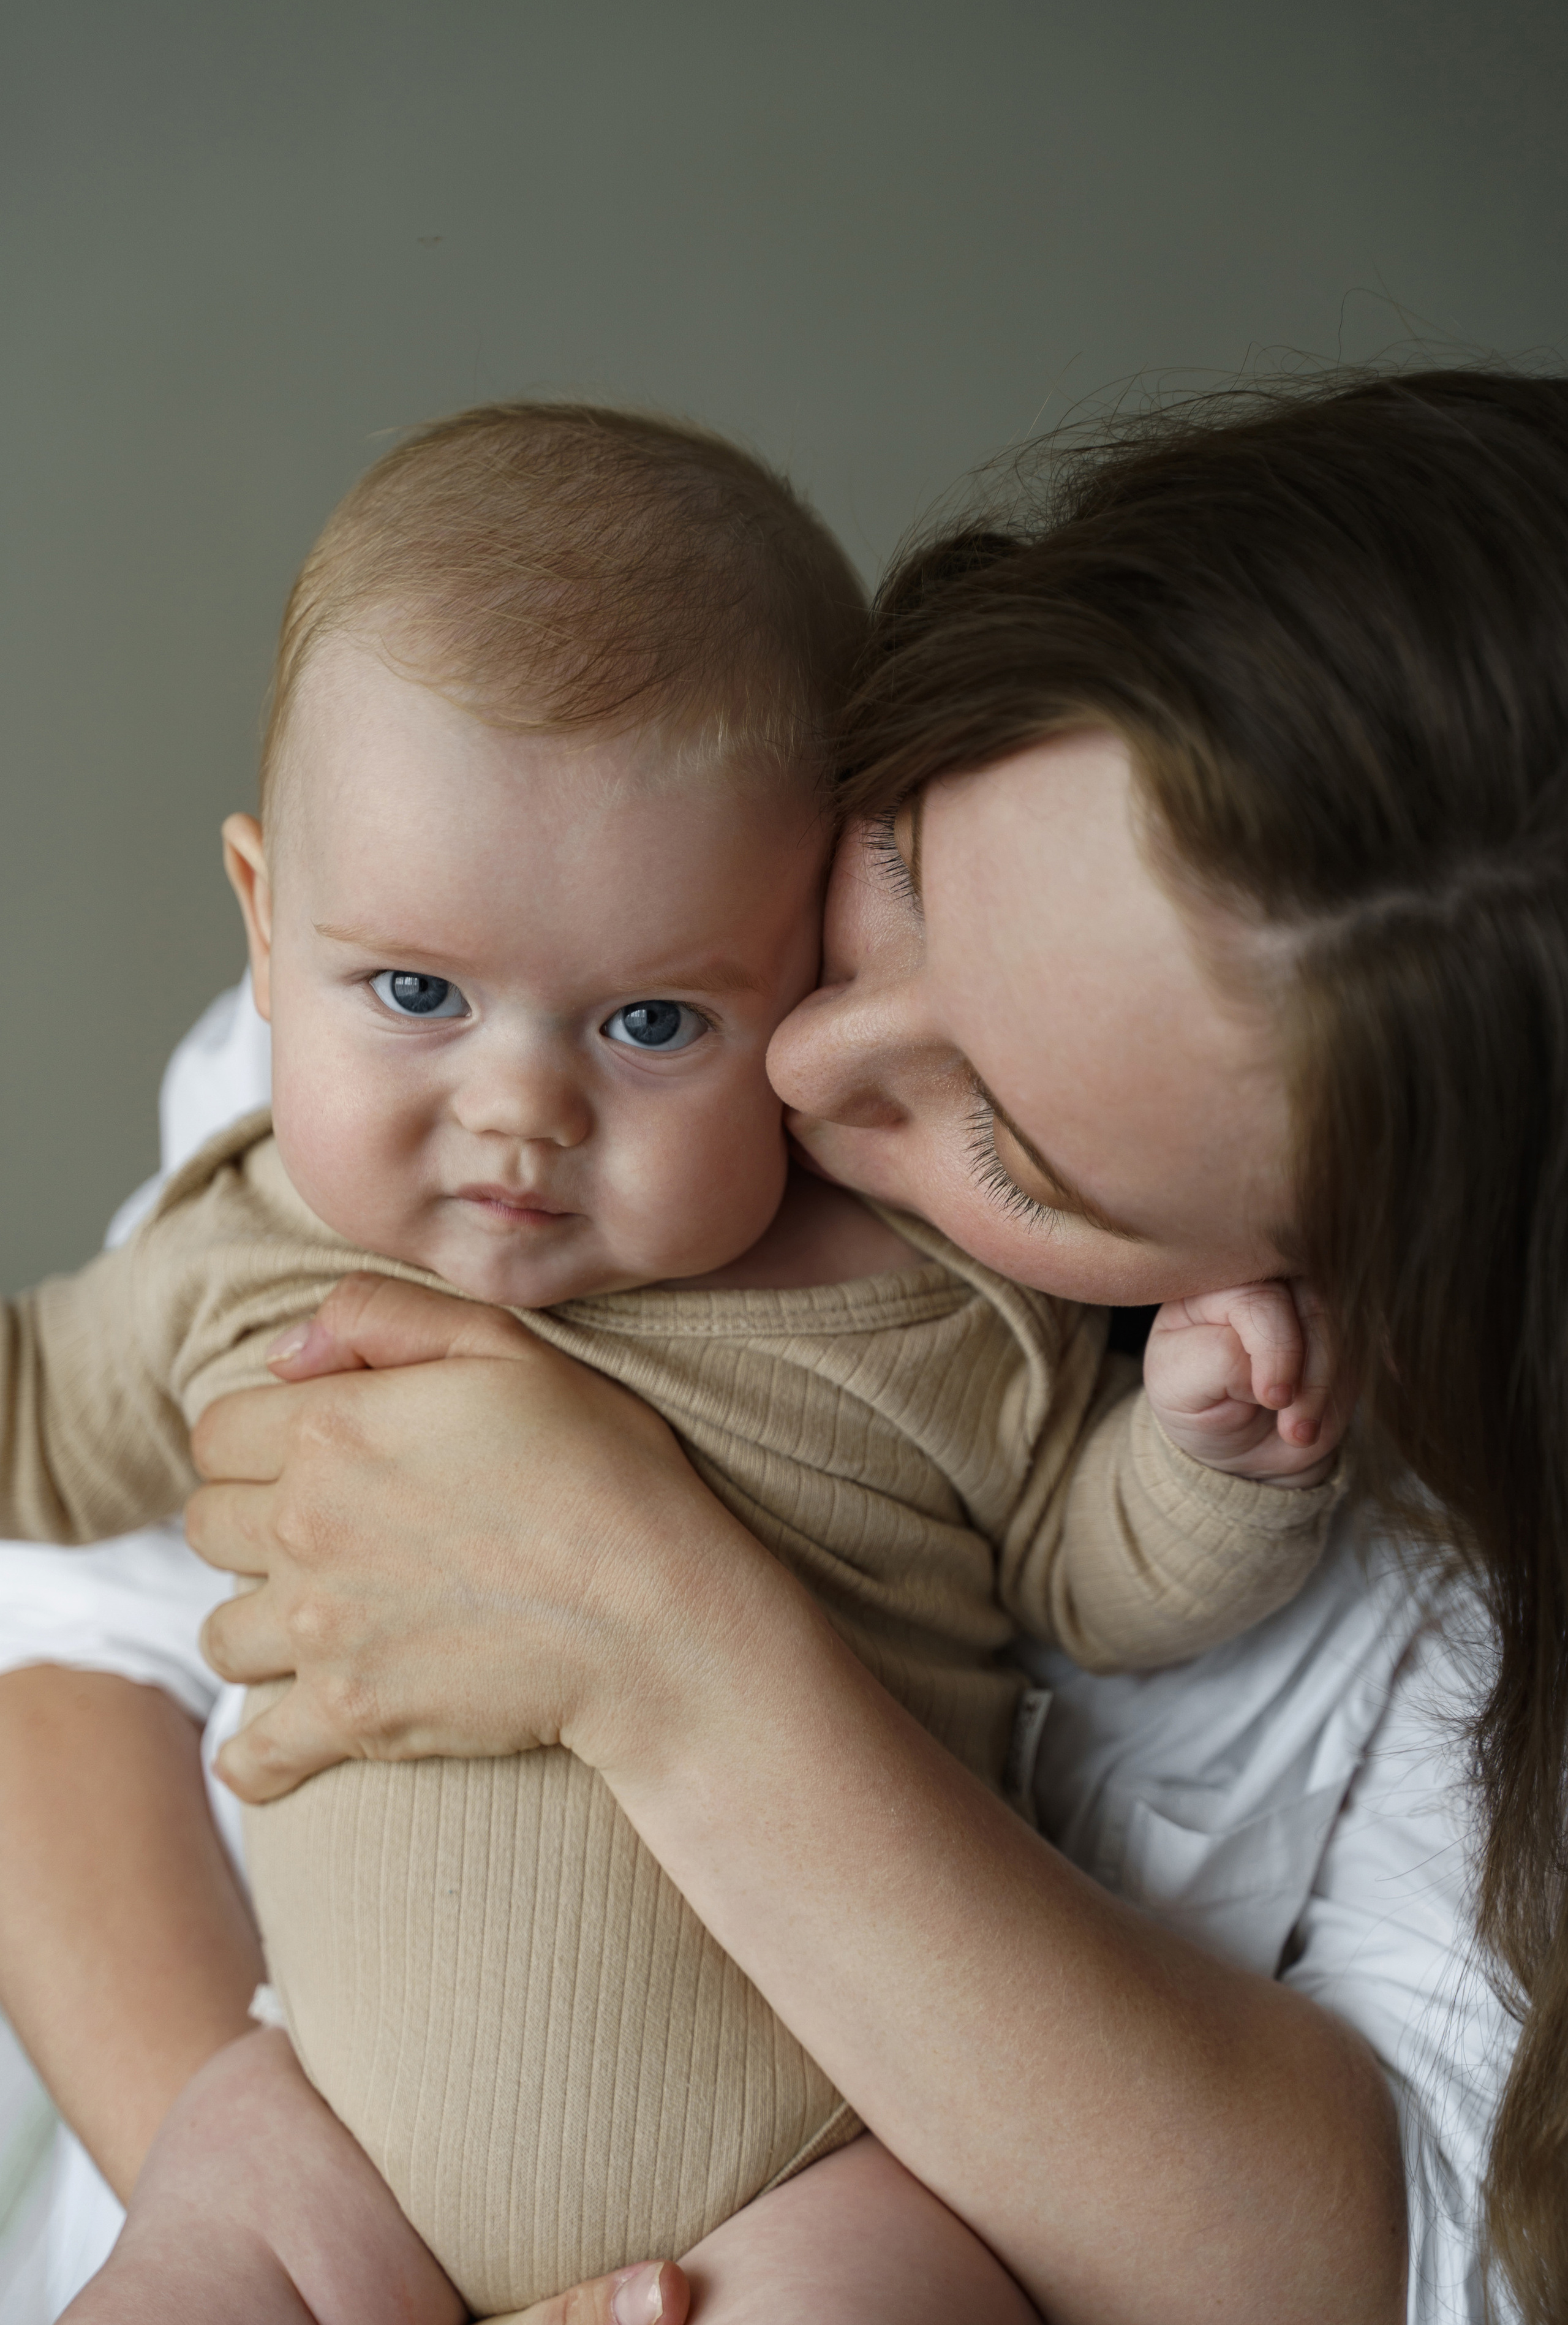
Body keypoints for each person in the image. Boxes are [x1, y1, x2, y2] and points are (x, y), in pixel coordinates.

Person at [0, 367, 1540, 2323]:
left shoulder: (967, 1334)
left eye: (1011, 1135)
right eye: (896, 871)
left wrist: (1203, 1464)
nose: (798, 1061)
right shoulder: (409, 1077)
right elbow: (67, 1594)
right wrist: (206, 2132)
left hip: (801, 2202)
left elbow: (1361, 2257)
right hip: (283, 2173)